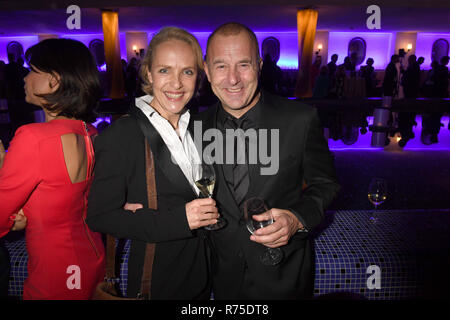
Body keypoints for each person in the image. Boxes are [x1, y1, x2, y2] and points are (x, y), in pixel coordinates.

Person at [197, 22, 340, 299]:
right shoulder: (195, 127)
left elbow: (326, 184)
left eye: (244, 65)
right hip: (222, 275)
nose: (233, 79)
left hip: (284, 275)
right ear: (207, 70)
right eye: (221, 66)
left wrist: (297, 219)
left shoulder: (300, 119)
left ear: (259, 65)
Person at [86, 27, 219, 299]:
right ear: (147, 73)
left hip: (203, 274)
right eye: (164, 70)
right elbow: (99, 216)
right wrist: (178, 219)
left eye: (187, 71)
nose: (177, 83)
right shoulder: (122, 135)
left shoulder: (200, 127)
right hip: (159, 280)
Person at [0, 38, 105, 299]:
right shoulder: (90, 133)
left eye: (33, 70)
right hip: (90, 255)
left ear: (54, 80)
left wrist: (13, 221)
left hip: (57, 270)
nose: (25, 77)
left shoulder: (34, 138)